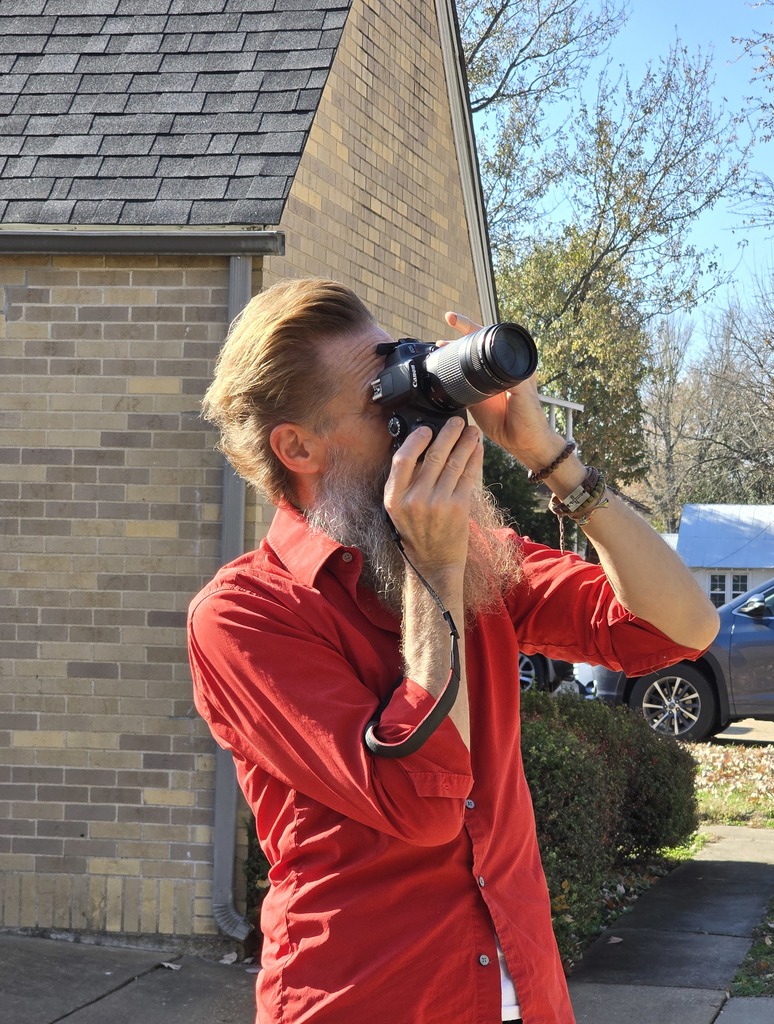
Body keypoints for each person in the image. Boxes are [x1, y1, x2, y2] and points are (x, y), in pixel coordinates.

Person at [187, 278, 720, 1024]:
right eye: (387, 398)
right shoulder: (245, 616)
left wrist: (549, 456)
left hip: (524, 997)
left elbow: (680, 626)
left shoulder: (481, 560)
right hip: (364, 1001)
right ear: (298, 446)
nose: (429, 419)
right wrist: (434, 575)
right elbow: (421, 803)